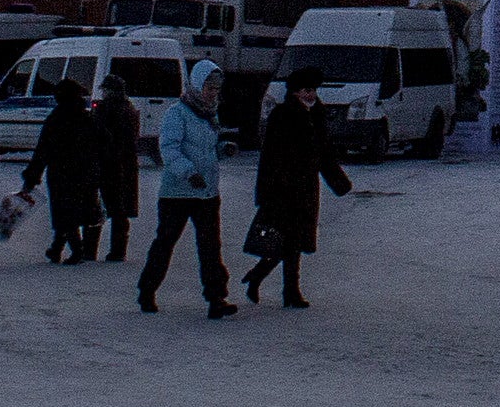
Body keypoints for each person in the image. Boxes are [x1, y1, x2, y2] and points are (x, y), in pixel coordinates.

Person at [240, 64, 356, 306]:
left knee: (294, 242)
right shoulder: (282, 115)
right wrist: (267, 192)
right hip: (282, 190)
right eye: (305, 90)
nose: (310, 94)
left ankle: (269, 282)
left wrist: (339, 182)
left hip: (305, 190)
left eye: (312, 89)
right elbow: (269, 157)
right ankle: (286, 290)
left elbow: (324, 154)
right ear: (294, 91)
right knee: (285, 242)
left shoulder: (317, 116)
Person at [136, 61, 236, 318]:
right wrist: (188, 172)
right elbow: (168, 148)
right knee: (165, 243)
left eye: (216, 88)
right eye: (208, 87)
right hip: (176, 194)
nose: (212, 92)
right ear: (196, 84)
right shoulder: (177, 113)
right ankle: (147, 291)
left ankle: (216, 298)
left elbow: (207, 149)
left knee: (210, 246)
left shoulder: (211, 113)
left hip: (206, 193)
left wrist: (222, 151)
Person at [21, 67, 104, 262]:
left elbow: (42, 151)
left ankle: (76, 251)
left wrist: (31, 178)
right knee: (78, 211)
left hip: (62, 174)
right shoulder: (87, 118)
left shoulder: (56, 119)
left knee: (64, 212)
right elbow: (104, 141)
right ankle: (56, 248)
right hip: (86, 173)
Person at [92, 76, 143, 263]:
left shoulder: (106, 110)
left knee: (97, 206)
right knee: (119, 210)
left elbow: (97, 136)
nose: (103, 92)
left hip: (107, 164)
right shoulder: (129, 109)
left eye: (105, 89)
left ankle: (90, 249)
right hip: (125, 165)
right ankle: (118, 250)